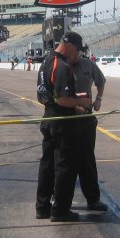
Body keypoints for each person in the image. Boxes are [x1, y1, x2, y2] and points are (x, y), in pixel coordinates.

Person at [35, 32, 92, 222]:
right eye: (77, 50)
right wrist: (81, 101)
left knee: (47, 164)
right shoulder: (62, 66)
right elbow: (63, 98)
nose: (77, 55)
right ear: (69, 46)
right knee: (65, 166)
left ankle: (42, 207)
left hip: (49, 117)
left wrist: (69, 103)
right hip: (63, 123)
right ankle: (60, 210)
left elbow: (44, 95)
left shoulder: (45, 63)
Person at [72, 50, 108, 212]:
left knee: (87, 160)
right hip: (67, 119)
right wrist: (73, 106)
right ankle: (58, 199)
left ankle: (93, 199)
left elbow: (101, 81)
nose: (77, 54)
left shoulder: (88, 65)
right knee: (65, 161)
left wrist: (98, 98)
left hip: (86, 118)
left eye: (79, 51)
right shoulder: (61, 65)